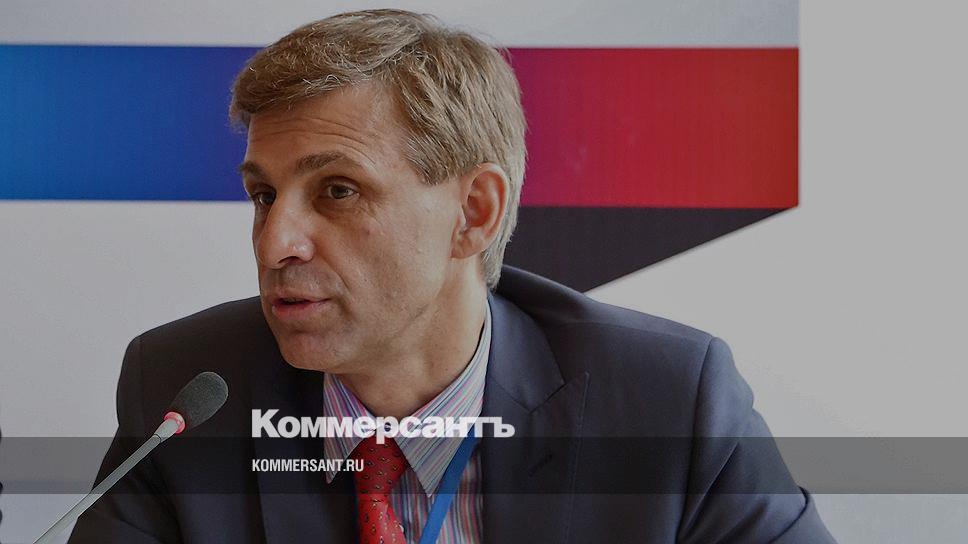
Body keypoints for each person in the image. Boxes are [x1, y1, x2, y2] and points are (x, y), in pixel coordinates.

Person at [69, 9, 835, 543]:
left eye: (338, 190)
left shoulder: (668, 404)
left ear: (473, 212)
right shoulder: (185, 392)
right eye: (264, 195)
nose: (275, 243)